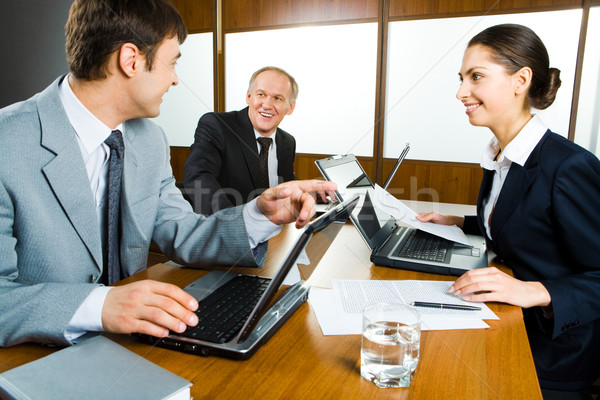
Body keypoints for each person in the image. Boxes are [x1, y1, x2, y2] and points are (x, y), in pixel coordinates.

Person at [0, 0, 335, 348]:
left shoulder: (148, 140)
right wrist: (98, 305)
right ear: (131, 60)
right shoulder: (7, 143)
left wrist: (257, 216)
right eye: (172, 63)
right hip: (37, 356)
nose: (175, 80)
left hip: (133, 346)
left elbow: (183, 232)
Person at [417, 24, 600, 398]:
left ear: (520, 81)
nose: (461, 92)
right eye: (462, 78)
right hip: (508, 322)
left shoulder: (568, 167)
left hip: (553, 351)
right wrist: (460, 221)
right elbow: (533, 226)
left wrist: (533, 290)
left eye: (476, 77)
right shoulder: (503, 156)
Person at [183, 66, 298, 215]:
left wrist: (316, 193)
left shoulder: (287, 142)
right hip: (229, 227)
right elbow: (198, 177)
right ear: (249, 96)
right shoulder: (216, 125)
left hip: (273, 230)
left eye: (277, 98)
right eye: (261, 94)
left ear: (290, 107)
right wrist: (235, 221)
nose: (267, 105)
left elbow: (284, 182)